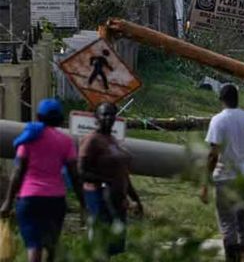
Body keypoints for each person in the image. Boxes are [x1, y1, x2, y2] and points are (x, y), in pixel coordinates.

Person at [0, 98, 85, 262]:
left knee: (34, 245)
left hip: (29, 198)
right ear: (60, 119)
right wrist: (83, 202)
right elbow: (75, 175)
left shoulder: (29, 138)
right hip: (55, 199)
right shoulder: (66, 142)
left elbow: (18, 171)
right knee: (51, 243)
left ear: (38, 117)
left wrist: (8, 201)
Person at [200, 84, 244, 262]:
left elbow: (213, 155)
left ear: (222, 100)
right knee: (243, 224)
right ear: (237, 99)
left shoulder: (218, 121)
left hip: (224, 178)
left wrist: (205, 184)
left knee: (228, 224)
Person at [79, 102, 143, 257]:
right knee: (101, 242)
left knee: (114, 244)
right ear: (96, 117)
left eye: (111, 114)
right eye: (104, 114)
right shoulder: (91, 140)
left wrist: (135, 199)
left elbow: (122, 174)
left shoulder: (112, 140)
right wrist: (106, 180)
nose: (108, 118)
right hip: (99, 197)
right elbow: (81, 171)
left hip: (117, 199)